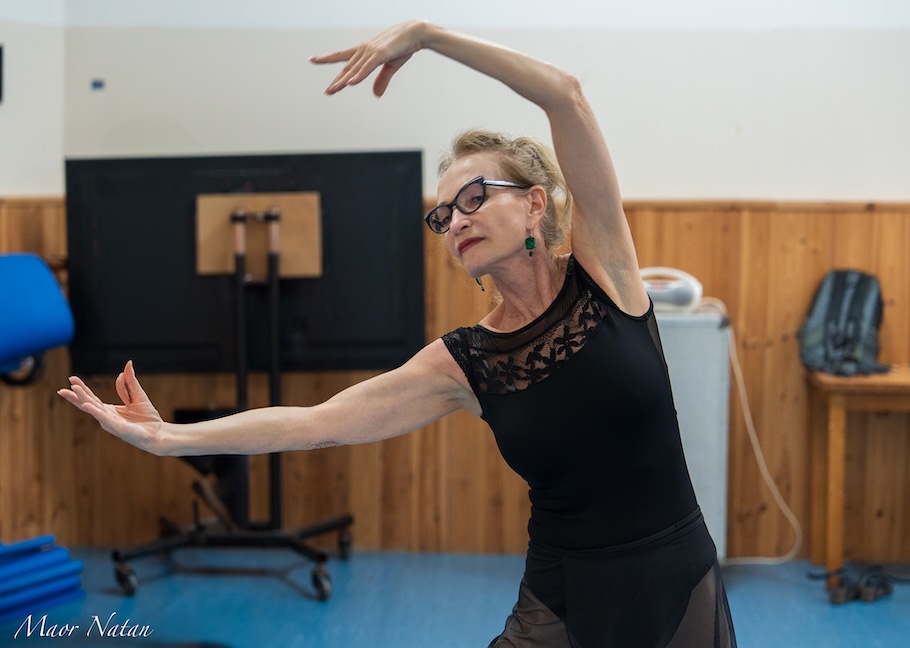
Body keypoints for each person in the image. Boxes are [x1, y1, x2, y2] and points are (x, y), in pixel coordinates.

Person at [58, 20, 736, 647]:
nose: (456, 220)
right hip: (561, 598)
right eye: (444, 215)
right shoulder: (466, 362)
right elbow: (315, 423)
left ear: (534, 203)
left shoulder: (606, 275)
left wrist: (427, 35)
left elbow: (565, 94)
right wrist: (169, 438)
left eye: (474, 197)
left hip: (676, 580)